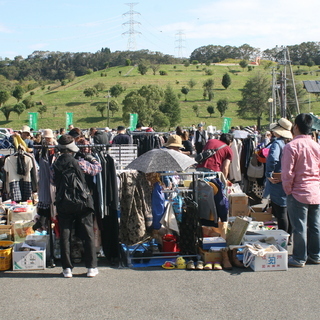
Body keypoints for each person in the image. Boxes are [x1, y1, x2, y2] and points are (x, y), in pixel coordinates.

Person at [53, 134, 102, 278]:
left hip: (63, 202)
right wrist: (91, 157)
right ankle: (91, 267)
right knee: (88, 234)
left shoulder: (54, 164)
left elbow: (52, 180)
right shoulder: (80, 162)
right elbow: (97, 169)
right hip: (82, 201)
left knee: (65, 235)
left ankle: (67, 268)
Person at [282, 113, 320, 267]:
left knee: (299, 227)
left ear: (295, 127)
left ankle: (299, 257)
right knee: (315, 226)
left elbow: (287, 173)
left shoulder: (291, 146)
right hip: (315, 191)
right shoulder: (317, 146)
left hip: (298, 191)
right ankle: (315, 255)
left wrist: (288, 190)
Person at [265, 118, 292, 236]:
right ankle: (289, 236)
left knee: (281, 212)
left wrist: (269, 174)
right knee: (289, 211)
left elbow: (272, 159)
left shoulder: (277, 143)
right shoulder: (289, 143)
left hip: (277, 179)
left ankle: (283, 237)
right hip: (288, 178)